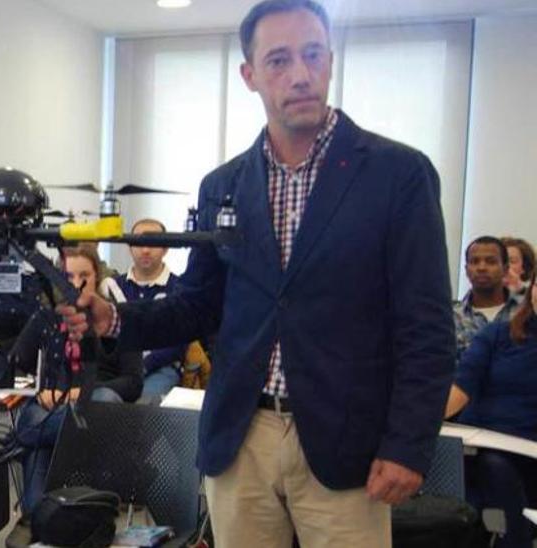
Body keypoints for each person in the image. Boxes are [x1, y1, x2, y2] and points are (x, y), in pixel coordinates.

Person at [63, 1, 455, 545]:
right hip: (240, 436)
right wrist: (114, 319)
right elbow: (197, 304)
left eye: (313, 54)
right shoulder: (223, 185)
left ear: (331, 61)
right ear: (249, 75)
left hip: (347, 443)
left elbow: (427, 327)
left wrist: (407, 445)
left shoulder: (397, 174)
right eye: (279, 60)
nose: (300, 74)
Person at [12, 245, 143, 534]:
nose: (75, 284)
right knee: (37, 418)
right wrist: (38, 388)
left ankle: (33, 439)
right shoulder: (46, 317)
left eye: (84, 275)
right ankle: (42, 511)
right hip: (54, 406)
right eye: (68, 276)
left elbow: (133, 382)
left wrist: (82, 392)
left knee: (103, 402)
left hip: (96, 404)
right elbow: (17, 363)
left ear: (98, 276)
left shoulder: (116, 318)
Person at [445, 285, 537, 548]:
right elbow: (461, 389)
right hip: (478, 444)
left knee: (495, 468)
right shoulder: (499, 333)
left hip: (529, 455)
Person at [113, 219, 189, 400]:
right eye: (139, 243)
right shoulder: (112, 286)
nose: (145, 250)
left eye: (154, 243)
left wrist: (142, 365)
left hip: (162, 368)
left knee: (142, 406)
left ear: (166, 248)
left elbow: (177, 344)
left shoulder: (179, 288)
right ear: (130, 247)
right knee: (100, 399)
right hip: (118, 369)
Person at [455, 236, 520, 360]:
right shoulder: (451, 318)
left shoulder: (525, 313)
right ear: (466, 270)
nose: (482, 268)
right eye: (474, 261)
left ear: (505, 269)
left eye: (491, 261)